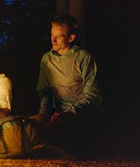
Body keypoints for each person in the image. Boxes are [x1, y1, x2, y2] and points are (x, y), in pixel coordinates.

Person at [31, 14, 102, 153]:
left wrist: (70, 111)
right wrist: (44, 113)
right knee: (30, 126)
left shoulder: (82, 57)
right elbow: (44, 91)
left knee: (64, 126)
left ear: (71, 38)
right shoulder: (47, 59)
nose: (53, 39)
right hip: (56, 114)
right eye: (52, 34)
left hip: (79, 115)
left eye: (59, 36)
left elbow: (94, 95)